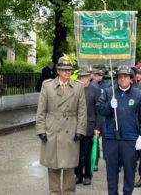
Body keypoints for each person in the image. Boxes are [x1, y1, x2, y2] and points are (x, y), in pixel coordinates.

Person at [35, 56, 87, 195]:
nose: (67, 72)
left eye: (69, 70)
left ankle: (69, 192)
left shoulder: (78, 86)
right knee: (53, 165)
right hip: (53, 128)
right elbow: (42, 110)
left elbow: (82, 111)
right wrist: (41, 129)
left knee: (69, 166)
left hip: (70, 128)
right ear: (58, 71)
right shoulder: (47, 86)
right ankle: (54, 192)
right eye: (63, 70)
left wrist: (81, 130)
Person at [97, 65, 141, 195]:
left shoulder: (139, 94)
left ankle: (127, 192)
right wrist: (109, 105)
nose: (122, 79)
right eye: (120, 76)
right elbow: (99, 109)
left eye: (125, 76)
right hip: (111, 138)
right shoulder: (109, 92)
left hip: (130, 138)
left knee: (130, 170)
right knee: (111, 170)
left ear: (131, 78)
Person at [75, 67, 101, 186]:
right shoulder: (74, 88)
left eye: (85, 76)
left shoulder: (95, 89)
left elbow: (98, 110)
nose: (82, 79)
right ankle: (78, 174)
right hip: (75, 124)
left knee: (87, 151)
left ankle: (87, 175)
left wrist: (97, 127)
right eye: (80, 76)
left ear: (89, 77)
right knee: (76, 152)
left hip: (89, 125)